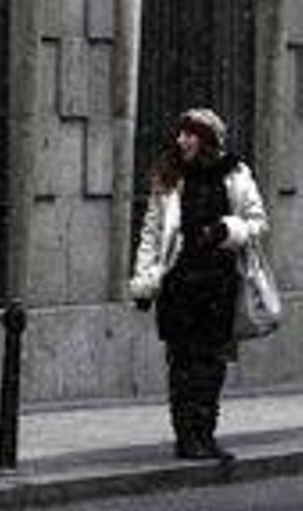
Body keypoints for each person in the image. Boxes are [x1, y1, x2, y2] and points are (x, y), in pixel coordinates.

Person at [129, 108, 267, 461]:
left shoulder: (236, 175)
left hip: (219, 285)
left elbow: (257, 222)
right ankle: (186, 436)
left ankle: (205, 434)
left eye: (190, 134)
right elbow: (152, 233)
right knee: (183, 363)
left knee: (212, 364)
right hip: (179, 285)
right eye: (180, 134)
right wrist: (145, 283)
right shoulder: (169, 177)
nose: (181, 140)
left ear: (207, 139)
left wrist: (227, 229)